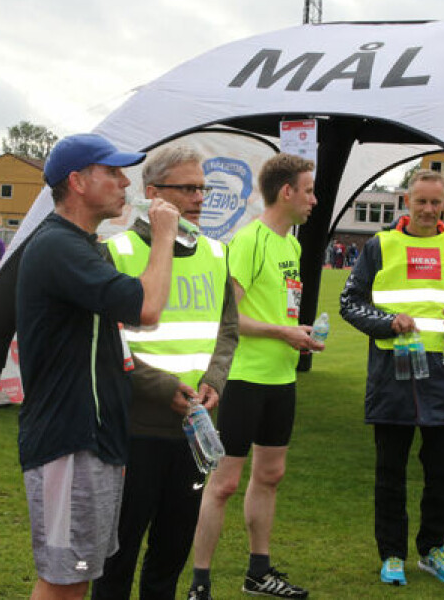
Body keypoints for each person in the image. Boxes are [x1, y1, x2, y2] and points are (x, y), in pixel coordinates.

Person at [16, 133, 180, 600]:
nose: (124, 182)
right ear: (77, 181)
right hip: (69, 441)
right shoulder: (57, 247)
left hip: (94, 439)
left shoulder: (82, 246)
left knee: (78, 575)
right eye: (112, 172)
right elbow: (147, 308)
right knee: (64, 579)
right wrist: (164, 235)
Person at [92, 146, 239, 600]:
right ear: (152, 193)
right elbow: (104, 343)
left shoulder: (216, 253)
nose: (199, 198)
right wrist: (160, 387)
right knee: (116, 559)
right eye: (188, 188)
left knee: (170, 559)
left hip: (192, 433)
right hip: (133, 430)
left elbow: (226, 329)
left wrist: (214, 380)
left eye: (203, 187)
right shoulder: (113, 252)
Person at [187, 153, 324, 600]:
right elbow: (228, 318)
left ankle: (258, 573)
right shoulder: (249, 241)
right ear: (287, 192)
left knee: (271, 475)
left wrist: (297, 333)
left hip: (281, 380)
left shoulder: (293, 245)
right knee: (224, 483)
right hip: (244, 379)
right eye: (308, 190)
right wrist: (280, 331)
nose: (314, 200)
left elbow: (274, 309)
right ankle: (200, 583)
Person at [339, 169, 444, 588]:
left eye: (436, 202)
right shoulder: (379, 246)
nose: (428, 209)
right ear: (406, 201)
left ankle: (433, 549)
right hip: (393, 376)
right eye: (421, 201)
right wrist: (388, 322)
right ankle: (392, 554)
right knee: (391, 473)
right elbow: (350, 303)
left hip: (442, 376)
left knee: (443, 474)